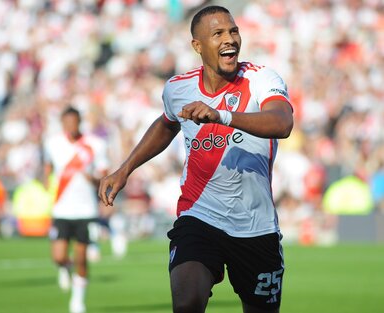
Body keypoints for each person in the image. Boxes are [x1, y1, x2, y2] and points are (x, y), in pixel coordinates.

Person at [99, 5, 294, 313]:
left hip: (256, 226)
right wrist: (125, 169)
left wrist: (222, 116)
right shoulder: (178, 88)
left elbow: (282, 123)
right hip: (200, 215)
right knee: (187, 303)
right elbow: (166, 124)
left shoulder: (262, 79)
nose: (229, 39)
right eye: (218, 33)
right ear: (197, 45)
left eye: (233, 31)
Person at [43, 106, 109, 313]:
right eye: (67, 123)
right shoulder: (52, 143)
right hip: (61, 208)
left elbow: (104, 175)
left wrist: (94, 180)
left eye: (74, 122)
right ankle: (65, 269)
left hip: (86, 210)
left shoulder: (95, 145)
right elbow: (48, 167)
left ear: (80, 122)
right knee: (58, 256)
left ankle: (78, 301)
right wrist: (47, 183)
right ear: (62, 124)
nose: (71, 126)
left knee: (81, 257)